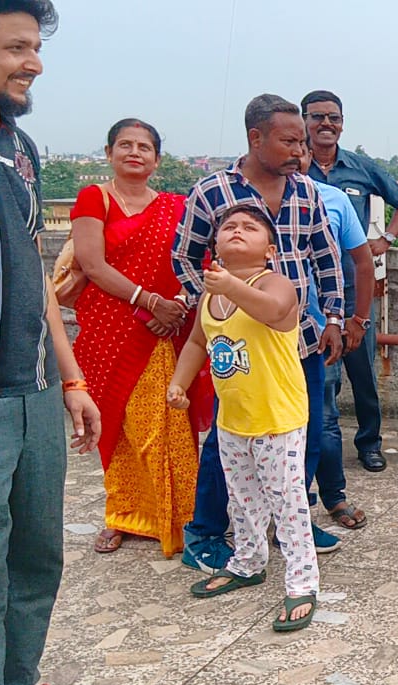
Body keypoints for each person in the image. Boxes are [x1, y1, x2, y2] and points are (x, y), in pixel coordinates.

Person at [0, 2, 113, 685]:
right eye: (16, 46)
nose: (33, 62)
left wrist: (70, 377)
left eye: (36, 46)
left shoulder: (20, 151)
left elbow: (34, 269)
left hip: (30, 393)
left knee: (35, 557)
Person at [172, 93, 345, 571]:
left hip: (298, 335)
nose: (298, 150)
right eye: (288, 140)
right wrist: (215, 302)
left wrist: (333, 317)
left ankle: (290, 521)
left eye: (301, 141)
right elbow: (183, 256)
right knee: (228, 440)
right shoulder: (212, 192)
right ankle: (206, 531)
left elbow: (326, 259)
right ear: (255, 138)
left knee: (301, 435)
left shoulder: (306, 191)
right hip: (241, 347)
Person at [169, 205, 319, 632]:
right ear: (214, 244)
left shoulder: (276, 283)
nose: (237, 231)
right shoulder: (211, 294)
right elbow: (199, 340)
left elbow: (274, 312)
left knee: (287, 504)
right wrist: (179, 382)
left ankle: (302, 581)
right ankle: (248, 562)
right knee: (243, 499)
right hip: (233, 418)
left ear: (269, 249)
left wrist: (231, 284)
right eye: (228, 227)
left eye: (249, 227)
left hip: (277, 417)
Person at [71, 118, 212, 556]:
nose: (135, 152)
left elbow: (196, 261)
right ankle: (123, 514)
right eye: (125, 145)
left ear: (157, 158)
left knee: (166, 423)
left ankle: (184, 514)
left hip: (166, 329)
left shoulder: (175, 206)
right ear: (110, 152)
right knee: (118, 425)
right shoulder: (95, 198)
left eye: (144, 147)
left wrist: (176, 309)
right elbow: (92, 264)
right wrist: (148, 301)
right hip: (111, 328)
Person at [303, 90, 398, 473]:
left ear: (342, 123)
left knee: (363, 372)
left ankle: (369, 443)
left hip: (356, 286)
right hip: (308, 293)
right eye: (317, 117)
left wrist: (387, 239)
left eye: (333, 117)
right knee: (322, 378)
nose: (326, 124)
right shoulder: (293, 166)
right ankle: (319, 447)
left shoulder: (360, 167)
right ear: (304, 121)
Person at [299, 150, 375, 529]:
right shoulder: (245, 199)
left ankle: (333, 497)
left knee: (324, 417)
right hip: (260, 335)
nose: (295, 153)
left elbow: (361, 262)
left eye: (301, 146)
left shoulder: (331, 199)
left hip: (317, 330)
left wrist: (356, 318)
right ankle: (283, 507)